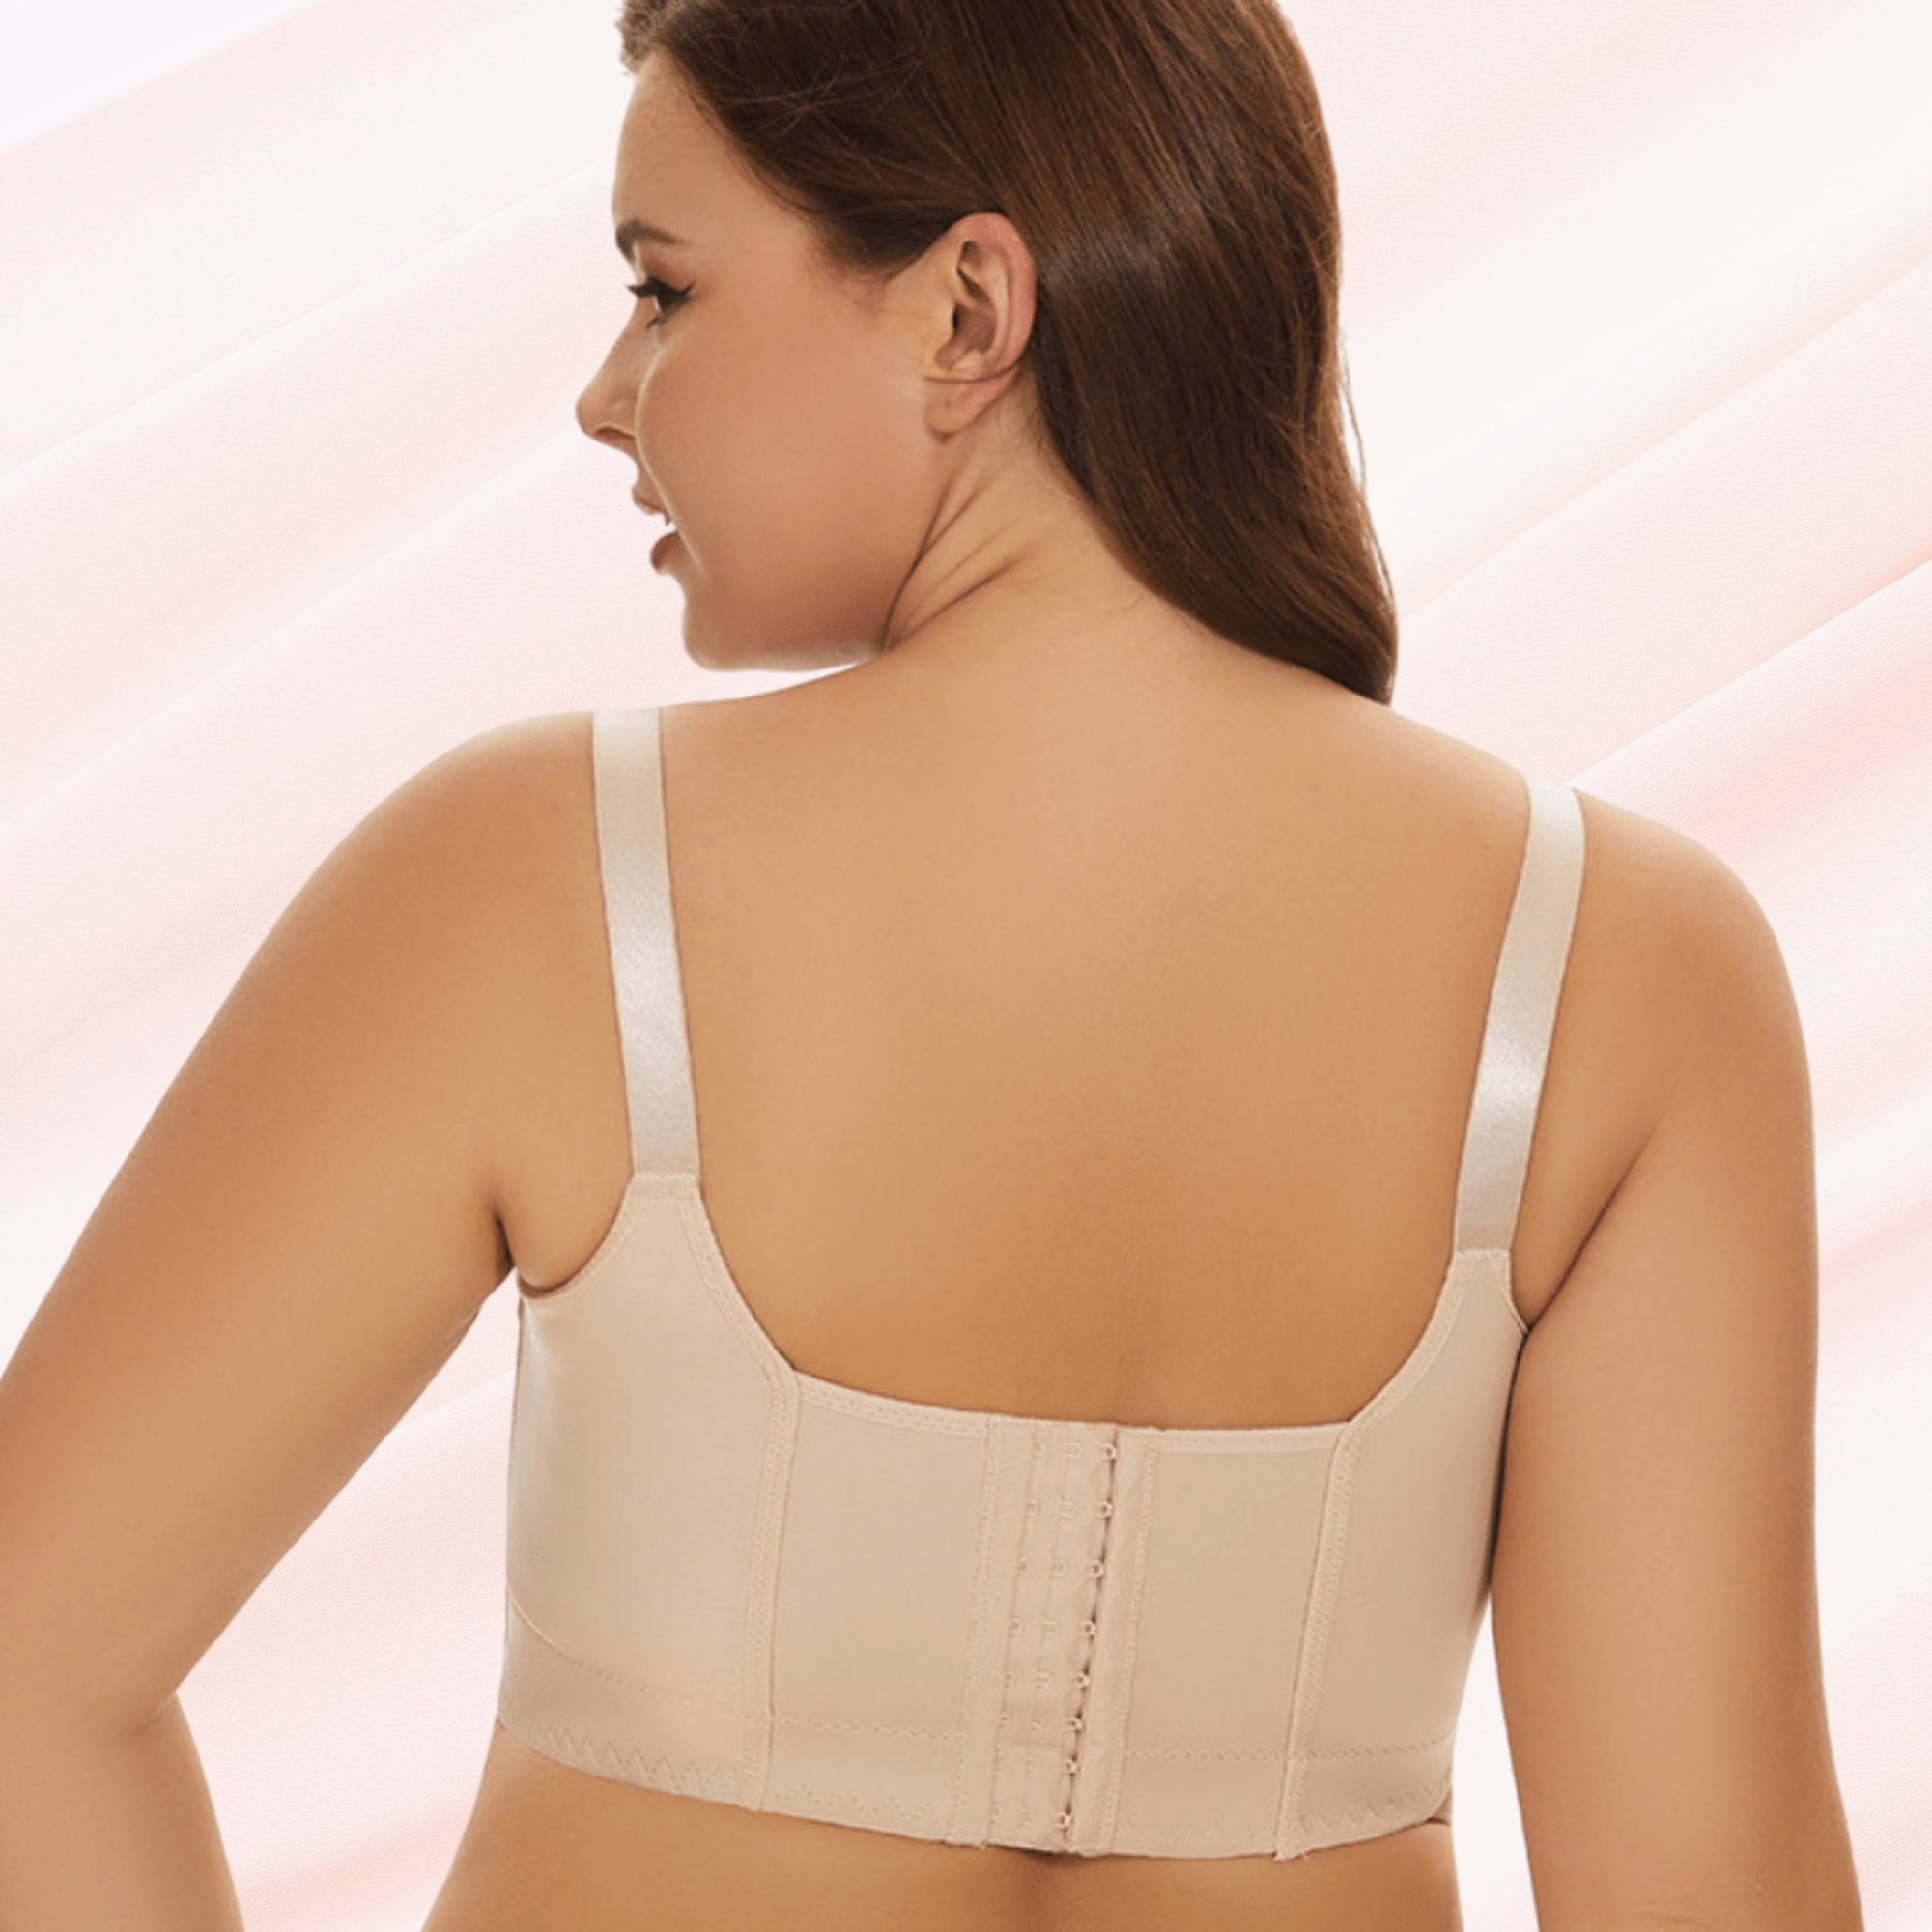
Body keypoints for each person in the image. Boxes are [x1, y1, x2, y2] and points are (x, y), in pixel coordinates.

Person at [0, 0, 1865, 1927]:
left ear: (968, 311)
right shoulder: (1628, 978)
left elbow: (22, 1666)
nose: (605, 396)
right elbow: (1707, 1899)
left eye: (663, 291)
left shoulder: (535, 889)